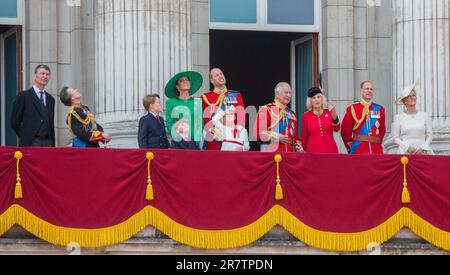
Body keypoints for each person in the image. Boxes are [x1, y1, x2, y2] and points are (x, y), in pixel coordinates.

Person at [11, 64, 55, 147]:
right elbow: (14, 122)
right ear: (35, 76)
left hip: (48, 142)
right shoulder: (24, 96)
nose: (45, 76)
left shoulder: (51, 99)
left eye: (47, 74)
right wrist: (26, 135)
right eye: (42, 73)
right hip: (31, 142)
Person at [202, 68, 245, 150]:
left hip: (234, 140)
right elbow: (206, 122)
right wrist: (217, 134)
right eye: (217, 75)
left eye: (221, 74)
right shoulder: (205, 98)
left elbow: (241, 119)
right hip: (214, 141)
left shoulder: (236, 95)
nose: (220, 76)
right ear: (211, 80)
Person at [254, 82, 302, 152]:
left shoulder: (292, 114)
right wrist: (276, 137)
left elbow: (295, 137)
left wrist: (298, 145)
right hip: (273, 155)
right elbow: (257, 132)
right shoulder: (266, 109)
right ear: (277, 94)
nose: (289, 95)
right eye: (286, 93)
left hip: (290, 156)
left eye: (290, 93)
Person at [341, 81, 386, 154]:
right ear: (361, 90)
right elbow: (345, 131)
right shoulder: (352, 108)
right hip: (359, 149)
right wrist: (351, 147)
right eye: (367, 89)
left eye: (371, 89)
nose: (369, 91)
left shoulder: (380, 109)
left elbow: (382, 131)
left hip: (376, 150)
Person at [165, 71, 203, 148]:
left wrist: (196, 142)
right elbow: (169, 124)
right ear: (177, 86)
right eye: (182, 81)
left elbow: (200, 123)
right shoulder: (170, 102)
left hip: (194, 143)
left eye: (187, 80)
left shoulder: (197, 102)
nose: (185, 82)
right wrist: (178, 139)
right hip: (178, 143)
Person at [392, 82, 433, 155]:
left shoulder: (425, 115)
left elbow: (429, 136)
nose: (412, 97)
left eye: (413, 95)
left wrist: (423, 147)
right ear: (404, 101)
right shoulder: (398, 117)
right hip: (405, 152)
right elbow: (395, 138)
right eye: (409, 96)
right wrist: (407, 147)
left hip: (423, 152)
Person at [301, 87, 340, 153]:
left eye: (319, 97)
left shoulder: (329, 112)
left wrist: (334, 113)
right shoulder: (306, 116)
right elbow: (304, 137)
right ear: (310, 101)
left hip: (330, 150)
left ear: (322, 99)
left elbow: (337, 129)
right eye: (313, 98)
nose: (317, 100)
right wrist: (303, 152)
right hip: (313, 152)